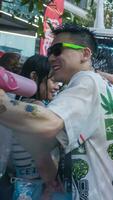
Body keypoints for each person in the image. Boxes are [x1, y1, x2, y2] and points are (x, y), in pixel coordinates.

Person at [0, 24, 113, 199]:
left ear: (85, 54)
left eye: (57, 50)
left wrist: (3, 103)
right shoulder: (100, 90)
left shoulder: (86, 81)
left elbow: (49, 123)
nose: (50, 58)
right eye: (49, 52)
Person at [11, 55, 60, 199]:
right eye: (53, 80)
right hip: (35, 188)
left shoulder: (18, 104)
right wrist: (51, 184)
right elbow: (41, 157)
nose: (57, 86)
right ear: (34, 77)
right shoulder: (36, 107)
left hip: (20, 185)